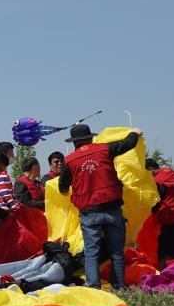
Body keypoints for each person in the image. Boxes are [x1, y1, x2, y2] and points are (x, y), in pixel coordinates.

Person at [58, 124, 141, 289]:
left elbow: (62, 187)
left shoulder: (69, 161)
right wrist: (135, 133)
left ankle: (94, 287)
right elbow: (127, 144)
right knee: (116, 251)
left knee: (91, 253)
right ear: (90, 138)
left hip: (89, 212)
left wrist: (65, 191)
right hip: (112, 208)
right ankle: (119, 286)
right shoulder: (105, 149)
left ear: (74, 142)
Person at [0, 142, 21, 212]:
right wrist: (18, 208)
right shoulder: (1, 174)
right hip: (4, 211)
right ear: (4, 155)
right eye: (12, 152)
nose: (13, 156)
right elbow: (6, 196)